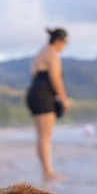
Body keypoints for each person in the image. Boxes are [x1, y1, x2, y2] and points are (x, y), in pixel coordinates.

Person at [26, 27, 70, 184]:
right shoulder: (52, 53)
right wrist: (63, 98)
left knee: (41, 136)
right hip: (44, 95)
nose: (65, 47)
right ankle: (48, 172)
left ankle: (46, 170)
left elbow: (35, 75)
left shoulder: (41, 52)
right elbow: (55, 78)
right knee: (46, 136)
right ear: (59, 41)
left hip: (33, 93)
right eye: (65, 43)